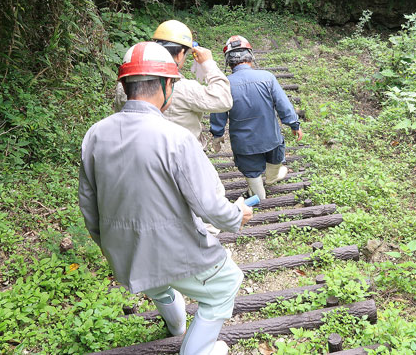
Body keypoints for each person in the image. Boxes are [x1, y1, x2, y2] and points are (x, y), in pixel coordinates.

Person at [79, 41, 252, 355]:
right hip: (174, 252)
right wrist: (236, 215)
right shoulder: (176, 138)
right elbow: (209, 206)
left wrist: (110, 244)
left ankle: (177, 326)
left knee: (157, 283)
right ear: (167, 84)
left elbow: (89, 209)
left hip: (125, 254)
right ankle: (194, 350)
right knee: (227, 283)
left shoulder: (94, 134)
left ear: (125, 84)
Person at [210, 35, 304, 200]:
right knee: (276, 158)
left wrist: (217, 135)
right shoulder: (268, 78)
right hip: (271, 138)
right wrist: (294, 124)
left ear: (228, 62)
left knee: (251, 171)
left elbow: (218, 112)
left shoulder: (224, 85)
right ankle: (272, 177)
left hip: (245, 145)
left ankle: (259, 194)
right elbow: (284, 105)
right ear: (250, 57)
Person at [114, 20, 232, 148]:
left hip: (138, 152)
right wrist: (208, 63)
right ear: (180, 54)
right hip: (183, 156)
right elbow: (224, 100)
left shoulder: (123, 86)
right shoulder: (185, 89)